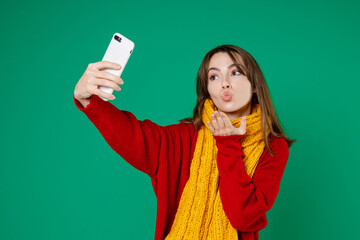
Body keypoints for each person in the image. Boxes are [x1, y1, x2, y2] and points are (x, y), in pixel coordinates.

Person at [73, 44, 296, 240]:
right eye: (214, 76)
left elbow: (242, 216)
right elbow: (133, 136)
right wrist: (88, 100)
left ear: (255, 84)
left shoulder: (273, 148)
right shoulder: (187, 136)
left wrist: (228, 144)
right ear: (207, 90)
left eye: (236, 72)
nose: (225, 84)